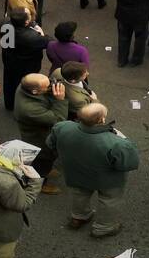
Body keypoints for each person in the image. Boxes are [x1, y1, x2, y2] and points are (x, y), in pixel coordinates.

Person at [49, 102, 139, 238]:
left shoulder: (62, 127)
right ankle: (103, 227)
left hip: (76, 173)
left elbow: (50, 144)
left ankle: (79, 217)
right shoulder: (117, 143)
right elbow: (129, 164)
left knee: (79, 193)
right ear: (101, 120)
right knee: (109, 200)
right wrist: (124, 139)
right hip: (107, 180)